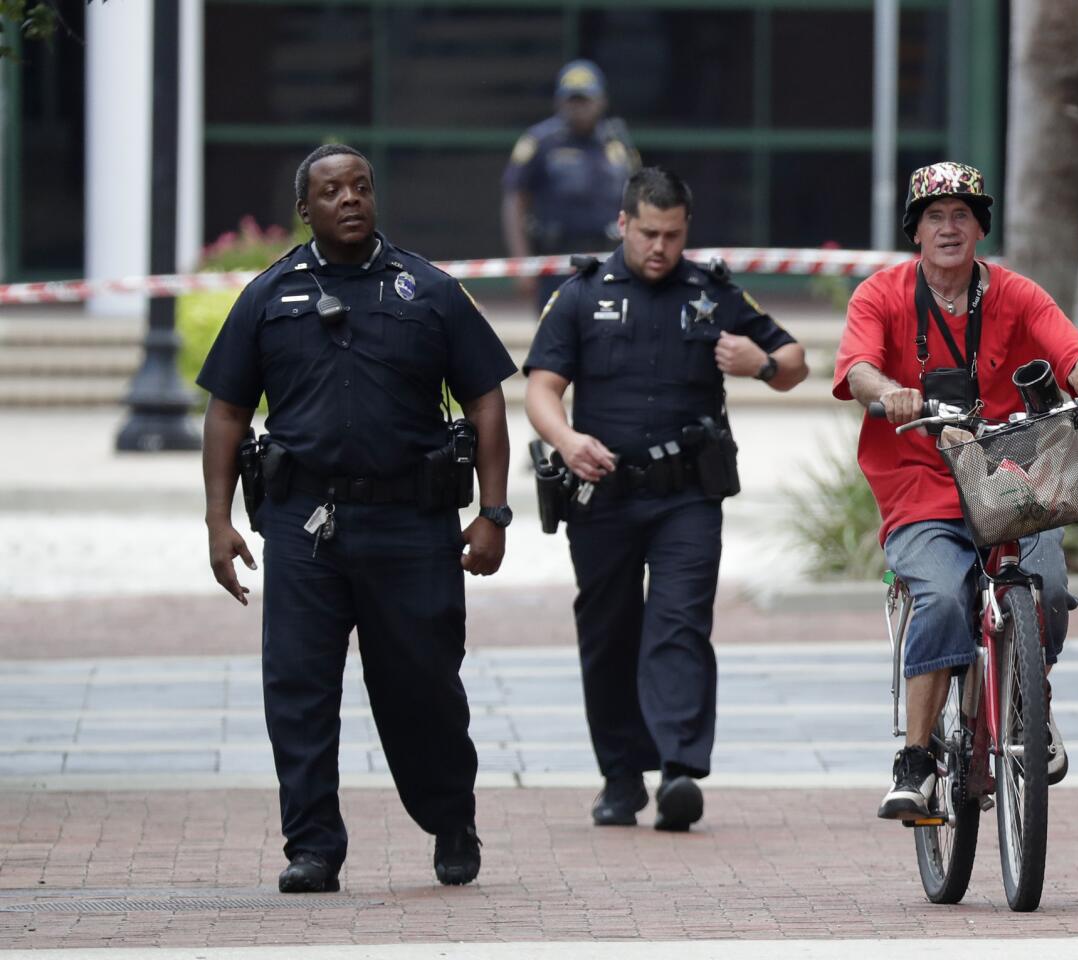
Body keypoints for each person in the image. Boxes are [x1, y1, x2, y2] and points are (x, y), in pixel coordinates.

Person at [198, 144, 517, 890]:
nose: (350, 199)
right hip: (303, 522)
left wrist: (494, 512)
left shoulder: (428, 290)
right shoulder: (269, 296)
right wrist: (218, 521)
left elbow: (486, 397)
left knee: (423, 686)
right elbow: (226, 412)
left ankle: (450, 819)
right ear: (305, 209)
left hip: (412, 523)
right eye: (332, 190)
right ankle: (312, 848)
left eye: (362, 187)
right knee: (298, 687)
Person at [832, 161, 1078, 819]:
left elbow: (1074, 349)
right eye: (935, 216)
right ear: (916, 229)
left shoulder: (1016, 293)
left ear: (980, 227)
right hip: (919, 482)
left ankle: (1028, 704)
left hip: (1009, 478)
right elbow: (856, 369)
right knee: (939, 594)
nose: (949, 227)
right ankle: (915, 760)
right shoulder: (881, 295)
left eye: (962, 214)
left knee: (1045, 592)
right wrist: (890, 392)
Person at [523, 167, 808, 831]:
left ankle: (679, 770)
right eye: (649, 233)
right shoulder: (580, 296)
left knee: (679, 625)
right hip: (604, 495)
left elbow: (794, 361)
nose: (660, 247)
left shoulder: (712, 294)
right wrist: (566, 441)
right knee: (609, 632)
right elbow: (541, 388)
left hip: (687, 496)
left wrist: (759, 365)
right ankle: (621, 777)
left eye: (673, 235)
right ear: (622, 224)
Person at [501, 59, 640, 313]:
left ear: (602, 101)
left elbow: (635, 203)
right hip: (556, 262)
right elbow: (515, 201)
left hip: (606, 260)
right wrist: (522, 262)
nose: (578, 107)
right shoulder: (541, 143)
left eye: (585, 100)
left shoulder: (617, 144)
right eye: (572, 100)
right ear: (559, 101)